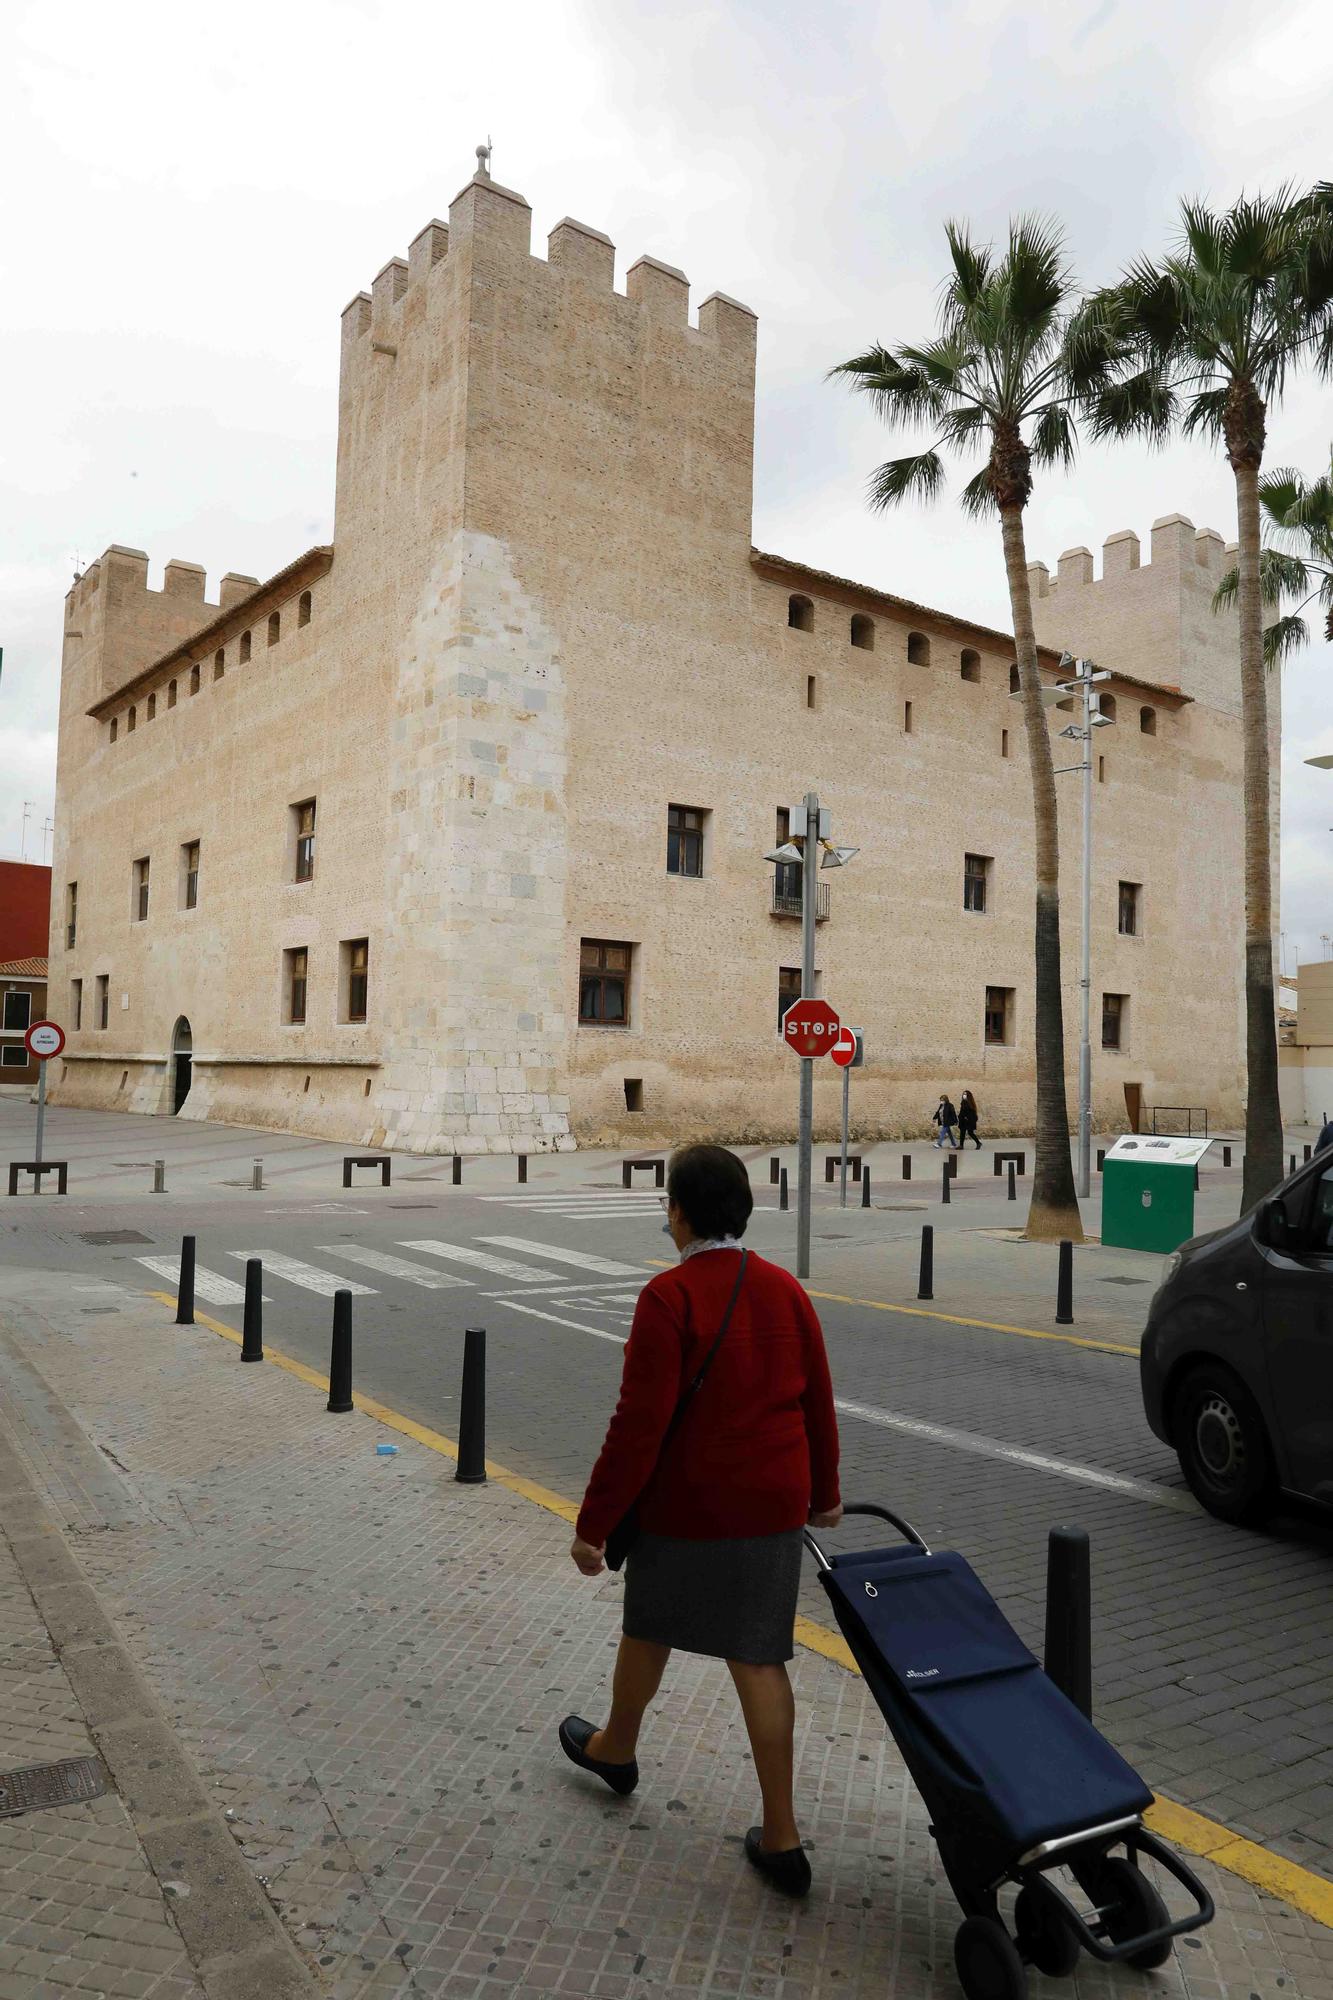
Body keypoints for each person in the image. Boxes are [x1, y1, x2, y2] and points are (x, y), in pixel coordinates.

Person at [561, 1143, 842, 1899]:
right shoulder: (785, 1290)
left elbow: (637, 1425)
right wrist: (825, 1493)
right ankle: (780, 1834)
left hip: (688, 1506)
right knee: (758, 1657)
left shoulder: (668, 1298)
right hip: (772, 1503)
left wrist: (594, 1524)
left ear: (679, 1211)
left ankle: (617, 1746)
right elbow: (818, 1399)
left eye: (667, 1203)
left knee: (649, 1622)